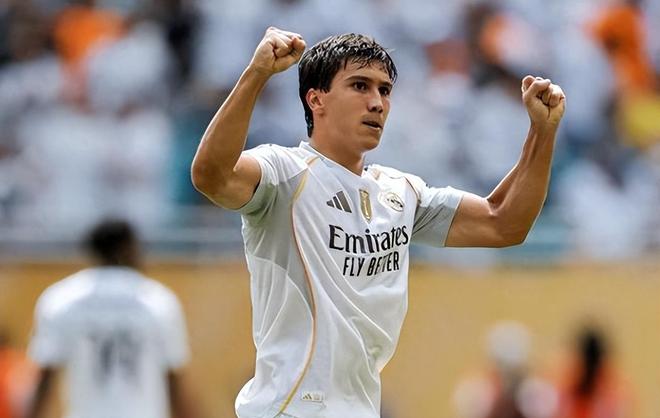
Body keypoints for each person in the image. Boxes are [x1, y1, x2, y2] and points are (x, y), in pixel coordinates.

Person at [191, 27, 565, 418]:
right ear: (316, 99)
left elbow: (504, 222)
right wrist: (257, 73)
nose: (377, 103)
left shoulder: (401, 192)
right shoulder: (284, 173)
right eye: (360, 86)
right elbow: (211, 175)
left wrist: (542, 132)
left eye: (384, 90)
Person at [25, 219, 196, 418]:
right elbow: (174, 382)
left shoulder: (62, 299)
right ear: (127, 248)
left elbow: (45, 380)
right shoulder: (157, 300)